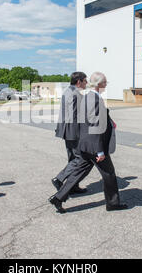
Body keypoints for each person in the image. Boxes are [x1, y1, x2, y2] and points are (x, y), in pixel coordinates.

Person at [49, 72, 128, 213]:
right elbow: (95, 125)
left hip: (85, 143)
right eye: (105, 82)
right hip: (94, 145)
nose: (106, 84)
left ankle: (58, 198)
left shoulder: (85, 97)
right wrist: (99, 150)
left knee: (79, 171)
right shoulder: (94, 99)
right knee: (109, 174)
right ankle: (113, 203)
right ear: (99, 84)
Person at [52, 72, 88, 194]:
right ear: (79, 82)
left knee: (72, 158)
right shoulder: (75, 94)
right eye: (85, 81)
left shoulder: (67, 91)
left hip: (66, 130)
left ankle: (73, 185)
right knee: (79, 159)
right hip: (73, 131)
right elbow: (74, 116)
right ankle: (59, 178)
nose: (86, 83)